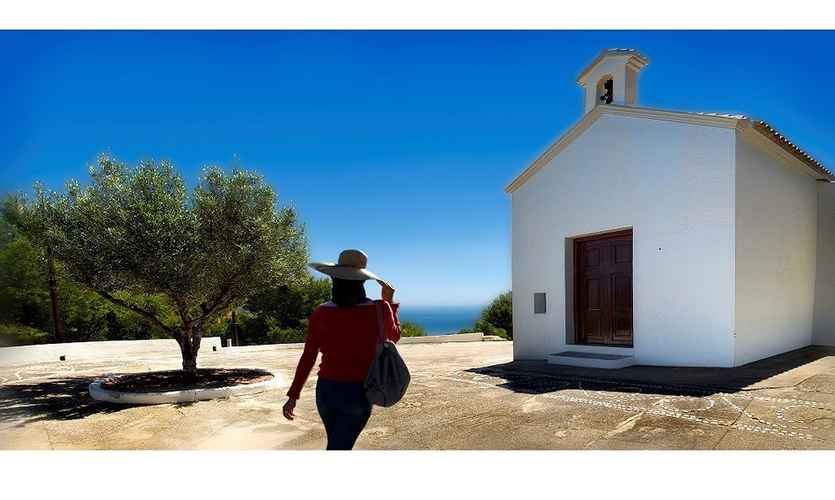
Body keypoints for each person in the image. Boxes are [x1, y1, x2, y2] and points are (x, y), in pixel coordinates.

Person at [282, 249, 402, 450]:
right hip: (358, 393)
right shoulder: (380, 309)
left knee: (337, 445)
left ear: (334, 280)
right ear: (362, 281)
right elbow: (394, 336)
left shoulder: (320, 312)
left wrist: (293, 395)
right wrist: (390, 302)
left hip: (326, 392)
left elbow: (308, 357)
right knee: (339, 449)